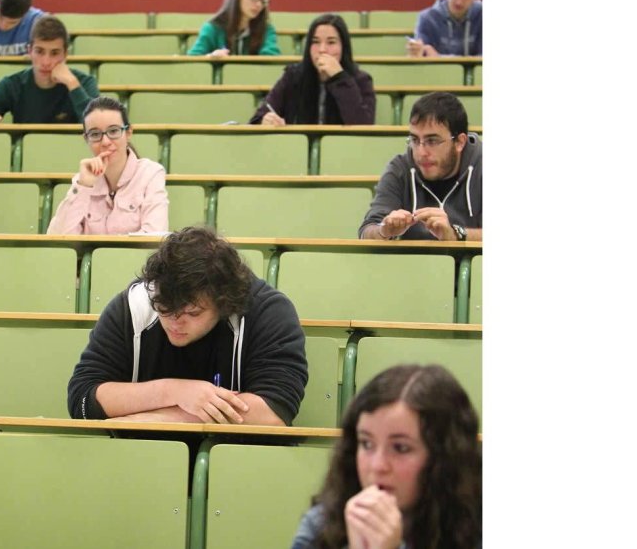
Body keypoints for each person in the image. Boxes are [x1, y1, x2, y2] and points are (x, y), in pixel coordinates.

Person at [67, 226, 308, 426]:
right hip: (140, 462)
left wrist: (161, 419)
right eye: (164, 308)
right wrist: (174, 392)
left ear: (224, 302)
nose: (174, 322)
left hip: (237, 464)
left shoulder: (268, 311)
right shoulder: (134, 304)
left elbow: (273, 413)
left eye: (193, 313)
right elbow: (83, 399)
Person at [290, 364, 481, 549]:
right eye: (366, 444)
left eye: (400, 448)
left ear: (443, 456)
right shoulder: (321, 524)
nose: (377, 465)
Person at [359, 93, 482, 241]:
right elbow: (367, 231)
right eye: (415, 140)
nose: (421, 152)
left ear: (459, 142)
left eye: (432, 141)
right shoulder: (400, 169)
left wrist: (455, 235)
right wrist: (384, 231)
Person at [46, 97, 169, 235]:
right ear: (86, 139)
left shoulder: (150, 174)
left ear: (128, 133)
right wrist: (83, 186)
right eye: (95, 134)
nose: (105, 141)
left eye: (114, 131)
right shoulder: (83, 181)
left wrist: (106, 253)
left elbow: (154, 234)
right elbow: (57, 238)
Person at [0, 15, 98, 125]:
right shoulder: (11, 85)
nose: (46, 62)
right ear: (29, 51)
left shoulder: (84, 82)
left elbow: (100, 127)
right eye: (39, 51)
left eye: (54, 53)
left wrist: (72, 84)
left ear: (65, 55)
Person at [249, 13, 375, 125]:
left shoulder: (361, 80)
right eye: (315, 42)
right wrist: (265, 120)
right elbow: (259, 116)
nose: (322, 49)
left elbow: (363, 126)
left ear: (344, 47)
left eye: (331, 42)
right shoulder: (293, 76)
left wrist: (339, 78)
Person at [186, 0, 281, 57]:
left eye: (263, 0)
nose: (259, 5)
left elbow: (271, 56)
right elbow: (193, 59)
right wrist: (211, 57)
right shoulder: (213, 28)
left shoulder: (266, 30)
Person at [406, 0, 482, 58]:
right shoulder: (427, 18)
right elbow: (424, 59)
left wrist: (439, 57)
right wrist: (417, 54)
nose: (459, 2)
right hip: (437, 73)